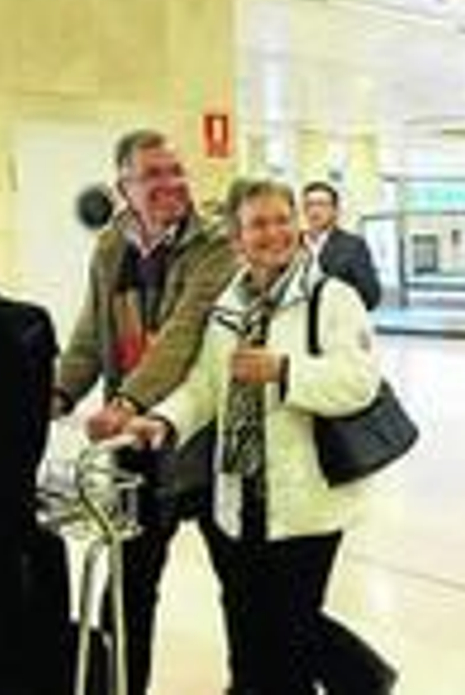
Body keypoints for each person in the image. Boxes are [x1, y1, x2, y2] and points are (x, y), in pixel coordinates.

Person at [125, 180, 396, 694]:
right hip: (237, 498)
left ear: (297, 225)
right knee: (248, 632)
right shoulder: (231, 301)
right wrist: (163, 420)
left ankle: (360, 679)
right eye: (257, 224)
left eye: (280, 219)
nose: (272, 233)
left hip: (304, 506)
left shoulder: (331, 298)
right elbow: (207, 384)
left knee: (289, 640)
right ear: (237, 238)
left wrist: (284, 371)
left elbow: (359, 382)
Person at [51, 128, 239, 695]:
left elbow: (182, 337)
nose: (170, 184)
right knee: (127, 589)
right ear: (124, 186)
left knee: (248, 588)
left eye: (176, 171)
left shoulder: (215, 245)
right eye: (153, 174)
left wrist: (127, 401)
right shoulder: (112, 247)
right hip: (138, 453)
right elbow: (90, 335)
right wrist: (57, 394)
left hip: (209, 444)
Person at [302, 181, 383, 310]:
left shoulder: (353, 246)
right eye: (309, 204)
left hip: (337, 324)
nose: (315, 210)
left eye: (322, 204)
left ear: (335, 210)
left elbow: (371, 297)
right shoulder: (293, 244)